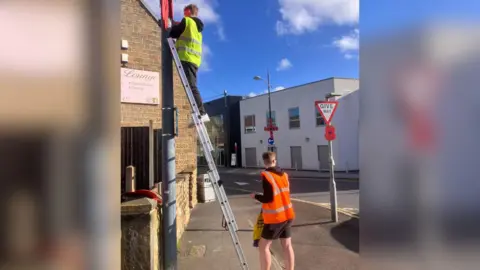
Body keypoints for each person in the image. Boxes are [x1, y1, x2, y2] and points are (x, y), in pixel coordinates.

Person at [250, 151, 295, 270]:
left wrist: (256, 196)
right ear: (275, 160)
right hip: (288, 214)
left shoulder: (266, 175)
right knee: (287, 245)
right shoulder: (284, 174)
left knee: (263, 246)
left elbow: (268, 198)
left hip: (275, 218)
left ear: (264, 162)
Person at [169, 4, 210, 123]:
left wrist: (169, 25)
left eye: (184, 11)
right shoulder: (197, 28)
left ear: (187, 11)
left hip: (186, 58)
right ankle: (199, 112)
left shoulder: (186, 21)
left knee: (191, 86)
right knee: (192, 86)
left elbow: (174, 33)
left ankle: (202, 113)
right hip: (194, 60)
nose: (183, 14)